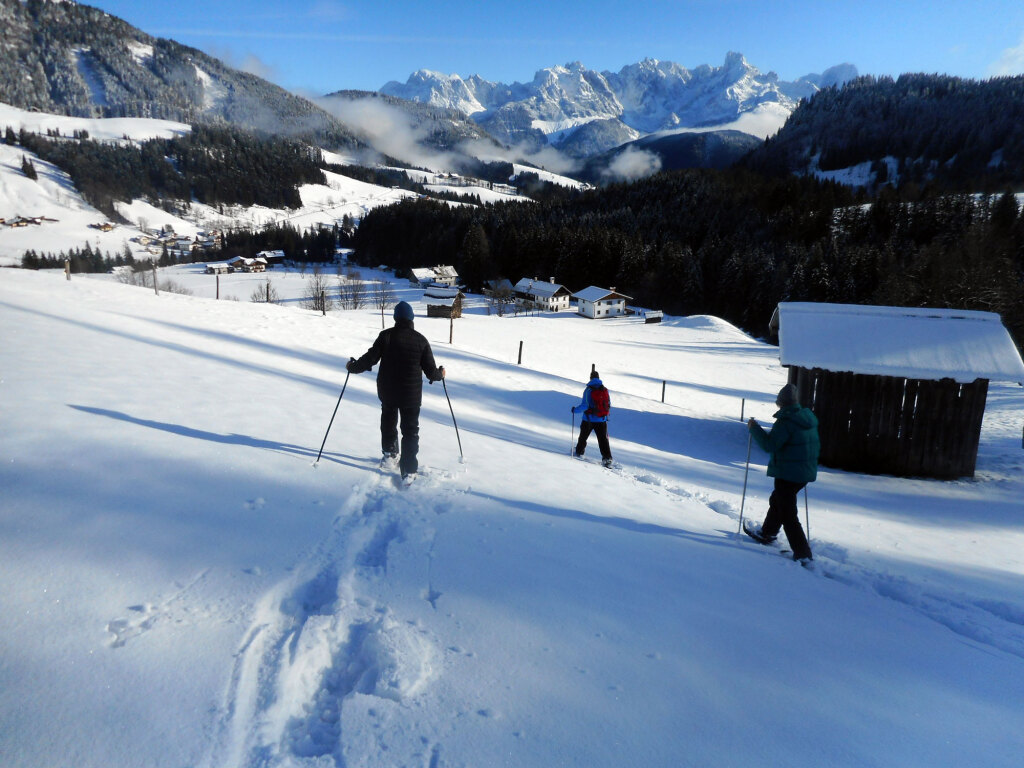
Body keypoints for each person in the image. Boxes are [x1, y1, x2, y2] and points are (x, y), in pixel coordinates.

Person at [346, 300, 445, 480]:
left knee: (388, 423)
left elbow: (370, 359)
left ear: (395, 318)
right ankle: (409, 470)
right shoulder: (421, 340)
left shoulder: (386, 336)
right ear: (412, 318)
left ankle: (390, 455)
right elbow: (431, 372)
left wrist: (353, 367)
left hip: (388, 392)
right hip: (411, 396)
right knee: (410, 431)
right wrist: (440, 374)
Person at [744, 383, 820, 563]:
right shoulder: (806, 418)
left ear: (781, 402)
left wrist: (754, 428)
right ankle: (768, 532)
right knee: (778, 499)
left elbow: (769, 445)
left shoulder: (786, 422)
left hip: (788, 473)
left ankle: (803, 553)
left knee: (788, 513)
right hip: (804, 472)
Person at [572, 370, 614, 468]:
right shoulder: (605, 389)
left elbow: (585, 406)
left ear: (590, 378)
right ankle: (607, 458)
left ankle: (579, 452)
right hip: (602, 420)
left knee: (583, 437)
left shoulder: (588, 390)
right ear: (598, 378)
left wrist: (575, 410)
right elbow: (608, 404)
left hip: (588, 419)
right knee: (603, 440)